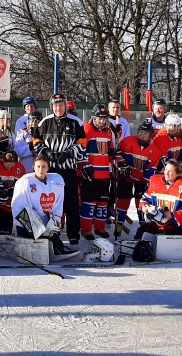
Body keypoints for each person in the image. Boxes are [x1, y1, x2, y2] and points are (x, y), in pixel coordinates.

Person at [32, 93, 87, 244]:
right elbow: (36, 141)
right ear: (52, 107)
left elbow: (83, 142)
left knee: (71, 202)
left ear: (65, 106)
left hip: (68, 168)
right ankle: (51, 232)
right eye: (55, 106)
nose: (58, 108)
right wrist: (46, 153)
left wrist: (69, 153)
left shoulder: (75, 122)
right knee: (51, 202)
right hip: (50, 171)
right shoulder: (45, 121)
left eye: (61, 105)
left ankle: (73, 234)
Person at [10, 153, 79, 259]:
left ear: (48, 168)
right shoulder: (25, 181)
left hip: (46, 222)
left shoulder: (57, 180)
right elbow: (18, 207)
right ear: (33, 167)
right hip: (26, 223)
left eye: (43, 167)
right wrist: (38, 228)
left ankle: (56, 247)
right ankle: (47, 245)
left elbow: (57, 205)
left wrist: (54, 223)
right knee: (42, 235)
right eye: (38, 166)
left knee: (53, 229)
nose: (40, 170)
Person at [79, 104, 119, 240]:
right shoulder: (87, 129)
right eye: (99, 118)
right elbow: (80, 150)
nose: (101, 121)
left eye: (104, 118)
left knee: (102, 203)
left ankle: (99, 227)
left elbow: (110, 149)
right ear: (93, 118)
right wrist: (84, 165)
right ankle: (85, 228)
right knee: (89, 202)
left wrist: (112, 153)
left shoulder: (108, 131)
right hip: (90, 173)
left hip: (104, 173)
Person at [115, 120, 158, 237]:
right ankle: (119, 223)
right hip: (125, 176)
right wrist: (122, 164)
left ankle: (142, 225)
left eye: (145, 133)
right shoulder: (127, 141)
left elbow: (152, 168)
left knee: (141, 201)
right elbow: (117, 153)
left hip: (141, 179)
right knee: (123, 199)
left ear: (151, 135)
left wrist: (145, 179)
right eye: (141, 132)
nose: (142, 134)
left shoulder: (155, 150)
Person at [137, 160, 182, 239]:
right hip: (156, 224)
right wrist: (145, 207)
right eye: (166, 170)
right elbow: (145, 199)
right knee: (140, 235)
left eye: (170, 171)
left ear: (178, 174)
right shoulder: (155, 182)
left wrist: (172, 215)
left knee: (168, 243)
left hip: (176, 226)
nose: (166, 173)